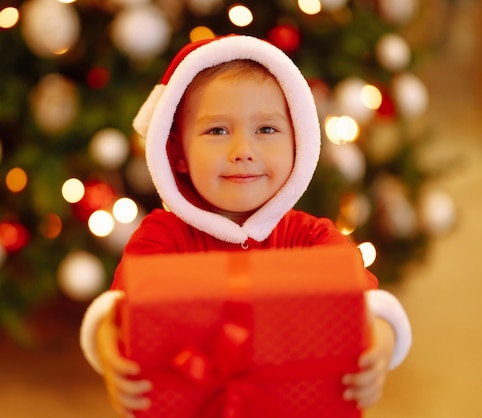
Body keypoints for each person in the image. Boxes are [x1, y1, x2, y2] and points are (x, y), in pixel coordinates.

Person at [80, 35, 412, 417]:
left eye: (266, 130)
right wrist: (108, 338)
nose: (243, 150)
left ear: (297, 143)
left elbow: (363, 300)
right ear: (179, 154)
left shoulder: (310, 237)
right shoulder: (162, 237)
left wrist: (382, 337)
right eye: (217, 131)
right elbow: (123, 308)